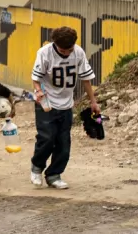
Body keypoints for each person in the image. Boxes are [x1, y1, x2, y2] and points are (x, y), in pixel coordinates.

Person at [30, 26, 100, 190]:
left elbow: (86, 79)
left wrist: (93, 101)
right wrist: (39, 91)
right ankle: (36, 167)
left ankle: (54, 175)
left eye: (69, 50)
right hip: (46, 103)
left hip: (66, 104)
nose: (67, 53)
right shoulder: (44, 53)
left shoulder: (78, 53)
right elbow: (36, 78)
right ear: (56, 44)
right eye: (63, 50)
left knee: (63, 142)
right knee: (47, 138)